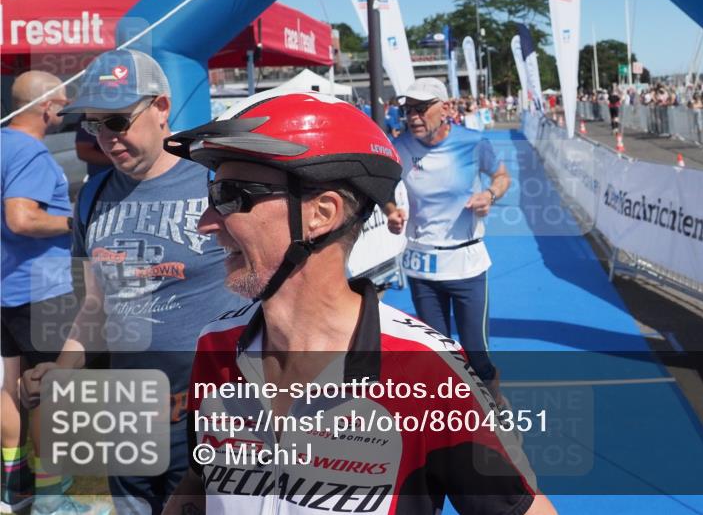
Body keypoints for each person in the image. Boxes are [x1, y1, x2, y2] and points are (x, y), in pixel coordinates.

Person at [158, 89, 553, 515]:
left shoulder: (428, 370)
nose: (205, 222)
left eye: (231, 196)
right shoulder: (215, 344)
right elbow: (200, 480)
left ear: (321, 214)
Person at [21, 50, 243, 515]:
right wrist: (63, 368)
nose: (106, 138)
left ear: (162, 108)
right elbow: (94, 306)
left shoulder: (217, 182)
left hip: (215, 411)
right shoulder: (92, 198)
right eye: (94, 125)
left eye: (118, 120)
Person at [386, 79, 511, 399]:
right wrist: (391, 210)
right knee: (436, 354)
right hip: (422, 266)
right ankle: (448, 418)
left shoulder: (473, 142)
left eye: (421, 108)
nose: (413, 116)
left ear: (445, 108)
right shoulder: (399, 147)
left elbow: (502, 176)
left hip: (466, 265)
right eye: (407, 109)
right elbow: (385, 190)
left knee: (476, 353)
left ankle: (495, 405)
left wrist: (490, 195)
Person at [1, 71, 85, 515]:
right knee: (53, 390)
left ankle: (14, 489)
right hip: (40, 290)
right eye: (63, 102)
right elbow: (21, 218)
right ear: (47, 106)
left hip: (8, 290)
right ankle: (54, 499)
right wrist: (77, 223)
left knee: (10, 389)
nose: (65, 111)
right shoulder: (31, 151)